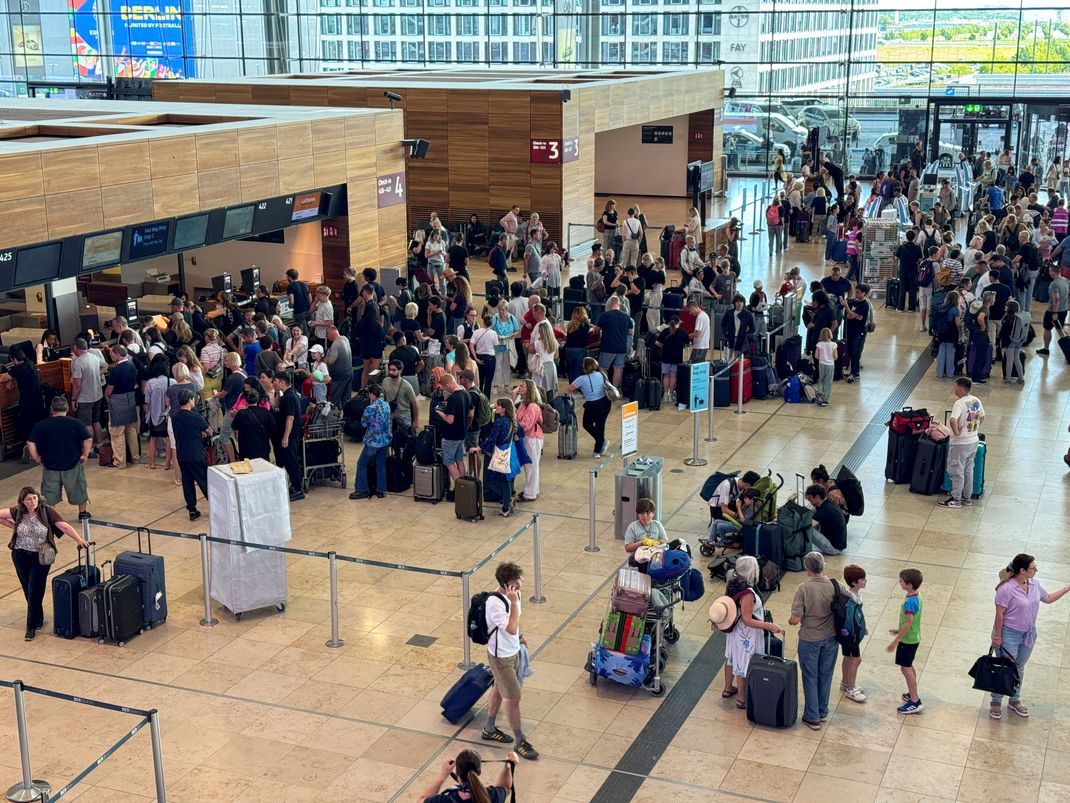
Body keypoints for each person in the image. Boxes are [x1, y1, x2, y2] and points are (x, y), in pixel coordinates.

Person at [1, 486, 89, 640]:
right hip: (20, 555)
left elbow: (64, 526)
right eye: (28, 498)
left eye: (34, 497)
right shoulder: (18, 512)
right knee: (28, 588)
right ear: (23, 501)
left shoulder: (47, 511)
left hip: (40, 557)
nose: (32, 501)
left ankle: (30, 627)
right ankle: (38, 618)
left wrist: (79, 540)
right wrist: (13, 526)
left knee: (34, 589)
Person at [989, 554, 1070, 720]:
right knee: (1005, 668)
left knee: (1019, 667)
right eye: (1033, 567)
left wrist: (1066, 588)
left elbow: (1046, 599)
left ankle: (1014, 699)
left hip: (1028, 634)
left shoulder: (1034, 584)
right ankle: (996, 701)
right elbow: (999, 614)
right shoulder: (1006, 589)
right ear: (1022, 570)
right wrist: (997, 636)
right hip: (1008, 634)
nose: (1036, 570)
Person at [480, 561, 538, 759]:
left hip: (513, 651)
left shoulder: (516, 594)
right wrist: (513, 603)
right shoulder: (495, 602)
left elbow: (516, 626)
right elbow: (510, 627)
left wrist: (520, 637)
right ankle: (520, 740)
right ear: (507, 584)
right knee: (514, 698)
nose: (521, 583)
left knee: (498, 688)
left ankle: (488, 728)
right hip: (500, 657)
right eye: (516, 581)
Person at [720, 555, 784, 710]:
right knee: (744, 662)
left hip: (734, 629)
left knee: (731, 658)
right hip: (746, 633)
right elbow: (748, 619)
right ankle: (742, 699)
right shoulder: (748, 593)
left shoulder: (732, 582)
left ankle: (728, 688)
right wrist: (769, 626)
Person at [788, 551, 838, 731]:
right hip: (831, 638)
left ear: (807, 568)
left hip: (809, 639)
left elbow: (795, 618)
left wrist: (791, 621)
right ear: (823, 565)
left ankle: (812, 716)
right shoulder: (835, 585)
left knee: (810, 676)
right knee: (826, 675)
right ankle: (822, 711)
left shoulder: (803, 588)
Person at [27, 396, 93, 521]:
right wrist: (85, 454)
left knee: (50, 493)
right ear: (67, 408)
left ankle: (49, 516)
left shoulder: (42, 425)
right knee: (78, 487)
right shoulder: (75, 423)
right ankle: (83, 513)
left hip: (50, 465)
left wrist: (36, 457)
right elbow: (88, 438)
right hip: (72, 463)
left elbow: (30, 442)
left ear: (52, 409)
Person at [939, 378, 985, 509]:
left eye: (955, 386)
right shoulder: (976, 400)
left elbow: (953, 420)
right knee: (968, 469)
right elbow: (982, 416)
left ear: (960, 388)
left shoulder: (959, 403)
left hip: (960, 443)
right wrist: (973, 430)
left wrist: (957, 433)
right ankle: (966, 497)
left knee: (956, 470)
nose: (953, 388)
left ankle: (956, 499)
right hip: (973, 440)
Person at [417, 747, 517, 803]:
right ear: (479, 772)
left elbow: (420, 800)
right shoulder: (490, 795)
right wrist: (507, 766)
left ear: (457, 773)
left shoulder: (446, 800)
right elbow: (505, 788)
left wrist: (442, 775)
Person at [887, 568, 925, 715]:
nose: (899, 582)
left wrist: (896, 641)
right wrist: (899, 629)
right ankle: (912, 692)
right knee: (909, 666)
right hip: (913, 637)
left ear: (909, 584)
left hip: (908, 640)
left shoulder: (909, 602)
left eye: (901, 581)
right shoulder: (917, 596)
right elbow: (911, 622)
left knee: (905, 668)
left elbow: (908, 622)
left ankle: (915, 701)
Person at [170, 390, 211, 521]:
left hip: (182, 454)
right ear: (189, 400)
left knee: (187, 482)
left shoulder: (174, 417)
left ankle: (192, 509)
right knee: (204, 481)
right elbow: (208, 431)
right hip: (196, 454)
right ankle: (215, 506)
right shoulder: (195, 417)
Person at [1, 347, 44, 460]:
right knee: (36, 424)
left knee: (27, 425)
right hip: (38, 400)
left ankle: (30, 451)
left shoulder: (18, 368)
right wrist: (11, 378)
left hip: (27, 401)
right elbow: (13, 376)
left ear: (13, 359)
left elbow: (3, 378)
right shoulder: (30, 364)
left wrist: (9, 378)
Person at [349, 384, 391, 501]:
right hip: (385, 440)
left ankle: (362, 489)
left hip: (373, 441)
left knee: (361, 463)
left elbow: (363, 423)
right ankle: (381, 490)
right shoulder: (386, 405)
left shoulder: (370, 408)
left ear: (372, 395)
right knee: (381, 464)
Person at [102, 344, 140, 469]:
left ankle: (119, 461)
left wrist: (106, 396)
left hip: (117, 401)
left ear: (117, 355)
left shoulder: (116, 370)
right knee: (131, 430)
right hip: (130, 398)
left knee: (117, 432)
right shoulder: (131, 365)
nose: (111, 355)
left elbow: (109, 390)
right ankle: (135, 458)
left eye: (112, 353)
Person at [436, 373, 472, 496]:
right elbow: (470, 414)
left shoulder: (452, 398)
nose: (446, 390)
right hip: (462, 433)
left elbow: (449, 420)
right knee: (460, 460)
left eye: (445, 388)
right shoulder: (466, 393)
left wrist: (440, 412)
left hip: (450, 436)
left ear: (448, 384)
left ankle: (460, 488)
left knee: (449, 462)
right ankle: (466, 485)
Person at [566, 358, 611, 458]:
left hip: (592, 405)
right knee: (600, 425)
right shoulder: (601, 374)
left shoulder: (582, 379)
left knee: (587, 424)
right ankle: (597, 450)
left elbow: (569, 389)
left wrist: (577, 390)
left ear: (585, 366)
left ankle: (601, 442)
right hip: (605, 402)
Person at [272, 370, 304, 501]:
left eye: (276, 381)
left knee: (291, 461)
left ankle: (297, 489)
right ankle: (294, 485)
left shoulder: (289, 397)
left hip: (290, 435)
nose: (274, 383)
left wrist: (285, 437)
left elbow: (290, 418)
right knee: (288, 460)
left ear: (282, 382)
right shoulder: (288, 394)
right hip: (290, 434)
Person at [70, 337, 105, 455]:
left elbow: (77, 384)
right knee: (96, 421)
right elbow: (105, 366)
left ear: (76, 347)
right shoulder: (94, 357)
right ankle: (99, 444)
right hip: (98, 395)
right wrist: (97, 373)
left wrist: (73, 399)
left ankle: (89, 449)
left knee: (86, 424)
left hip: (85, 398)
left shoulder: (79, 362)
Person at [838, 564, 868, 703]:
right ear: (855, 582)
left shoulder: (854, 595)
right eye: (863, 579)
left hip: (848, 634)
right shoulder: (851, 600)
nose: (866, 581)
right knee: (856, 659)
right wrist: (856, 632)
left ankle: (845, 682)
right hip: (851, 635)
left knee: (847, 657)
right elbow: (851, 619)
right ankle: (851, 688)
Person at [513, 381, 543, 504]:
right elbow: (515, 416)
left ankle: (530, 493)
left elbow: (526, 425)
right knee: (529, 466)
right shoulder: (523, 403)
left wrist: (516, 425)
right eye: (519, 385)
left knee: (531, 466)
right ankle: (532, 490)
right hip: (526, 438)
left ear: (529, 389)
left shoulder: (532, 406)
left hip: (532, 438)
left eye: (522, 386)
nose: (519, 388)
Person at [596, 296, 633, 389]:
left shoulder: (605, 315)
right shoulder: (626, 316)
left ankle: (606, 388)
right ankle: (615, 389)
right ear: (619, 304)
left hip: (607, 346)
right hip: (621, 347)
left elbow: (596, 330)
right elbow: (630, 332)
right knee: (618, 369)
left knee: (603, 368)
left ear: (610, 304)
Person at [230, 388, 275, 461]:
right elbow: (273, 427)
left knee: (248, 469)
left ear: (246, 401)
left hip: (246, 447)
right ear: (257, 400)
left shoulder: (241, 413)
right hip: (262, 446)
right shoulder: (265, 412)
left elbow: (234, 426)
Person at [841, 283, 872, 383]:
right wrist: (850, 313)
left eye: (858, 292)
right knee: (850, 351)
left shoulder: (864, 305)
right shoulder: (853, 301)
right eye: (856, 292)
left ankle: (854, 372)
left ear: (864, 293)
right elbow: (849, 316)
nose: (856, 294)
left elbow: (851, 314)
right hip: (850, 329)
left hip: (858, 332)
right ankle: (853, 370)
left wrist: (847, 308)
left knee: (855, 352)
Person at [657, 316, 690, 405]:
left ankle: (665, 395)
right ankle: (671, 394)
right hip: (677, 357)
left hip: (666, 356)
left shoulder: (665, 331)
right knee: (673, 376)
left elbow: (657, 342)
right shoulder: (682, 332)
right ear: (678, 322)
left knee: (666, 376)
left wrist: (664, 347)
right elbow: (688, 342)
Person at [1037, 263, 1068, 356]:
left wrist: (1054, 312)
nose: (1049, 273)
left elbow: (1056, 298)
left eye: (1050, 271)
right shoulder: (1066, 281)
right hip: (1064, 309)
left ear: (1053, 272)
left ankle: (1046, 348)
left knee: (1047, 329)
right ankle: (1067, 348)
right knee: (1060, 329)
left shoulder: (1054, 284)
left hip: (1053, 311)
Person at [805, 484, 846, 554]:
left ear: (817, 497)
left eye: (810, 498)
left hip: (834, 548)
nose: (809, 500)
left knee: (807, 530)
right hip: (839, 544)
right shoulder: (828, 502)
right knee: (814, 523)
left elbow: (807, 525)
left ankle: (802, 549)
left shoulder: (824, 510)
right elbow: (812, 511)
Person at [528, 317, 558, 398]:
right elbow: (556, 356)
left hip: (540, 366)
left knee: (539, 391)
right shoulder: (554, 342)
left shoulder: (538, 342)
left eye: (539, 331)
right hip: (551, 366)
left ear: (542, 332)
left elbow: (530, 350)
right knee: (550, 390)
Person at [324, 325, 354, 407]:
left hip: (340, 376)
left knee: (333, 399)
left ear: (330, 333)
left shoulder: (335, 344)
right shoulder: (345, 339)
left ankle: (333, 418)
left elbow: (330, 361)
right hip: (349, 373)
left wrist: (326, 357)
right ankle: (346, 417)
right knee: (346, 398)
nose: (327, 337)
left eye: (327, 335)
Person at [721, 293, 755, 361]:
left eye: (741, 302)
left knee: (738, 360)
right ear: (734, 303)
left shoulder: (747, 314)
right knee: (726, 359)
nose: (739, 304)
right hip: (729, 338)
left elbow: (753, 329)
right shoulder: (729, 313)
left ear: (743, 303)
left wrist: (745, 336)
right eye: (737, 302)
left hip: (741, 339)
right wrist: (726, 333)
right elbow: (723, 324)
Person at [812, 327, 836, 407]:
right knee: (828, 381)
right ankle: (825, 399)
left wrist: (822, 358)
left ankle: (820, 396)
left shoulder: (819, 344)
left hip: (821, 364)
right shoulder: (833, 345)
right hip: (830, 364)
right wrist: (831, 359)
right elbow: (835, 356)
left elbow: (816, 356)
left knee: (821, 379)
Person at [687, 297, 711, 364]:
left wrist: (686, 336)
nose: (690, 313)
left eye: (690, 310)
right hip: (704, 345)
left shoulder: (700, 317)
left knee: (693, 366)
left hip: (699, 346)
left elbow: (697, 334)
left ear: (693, 307)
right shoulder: (705, 315)